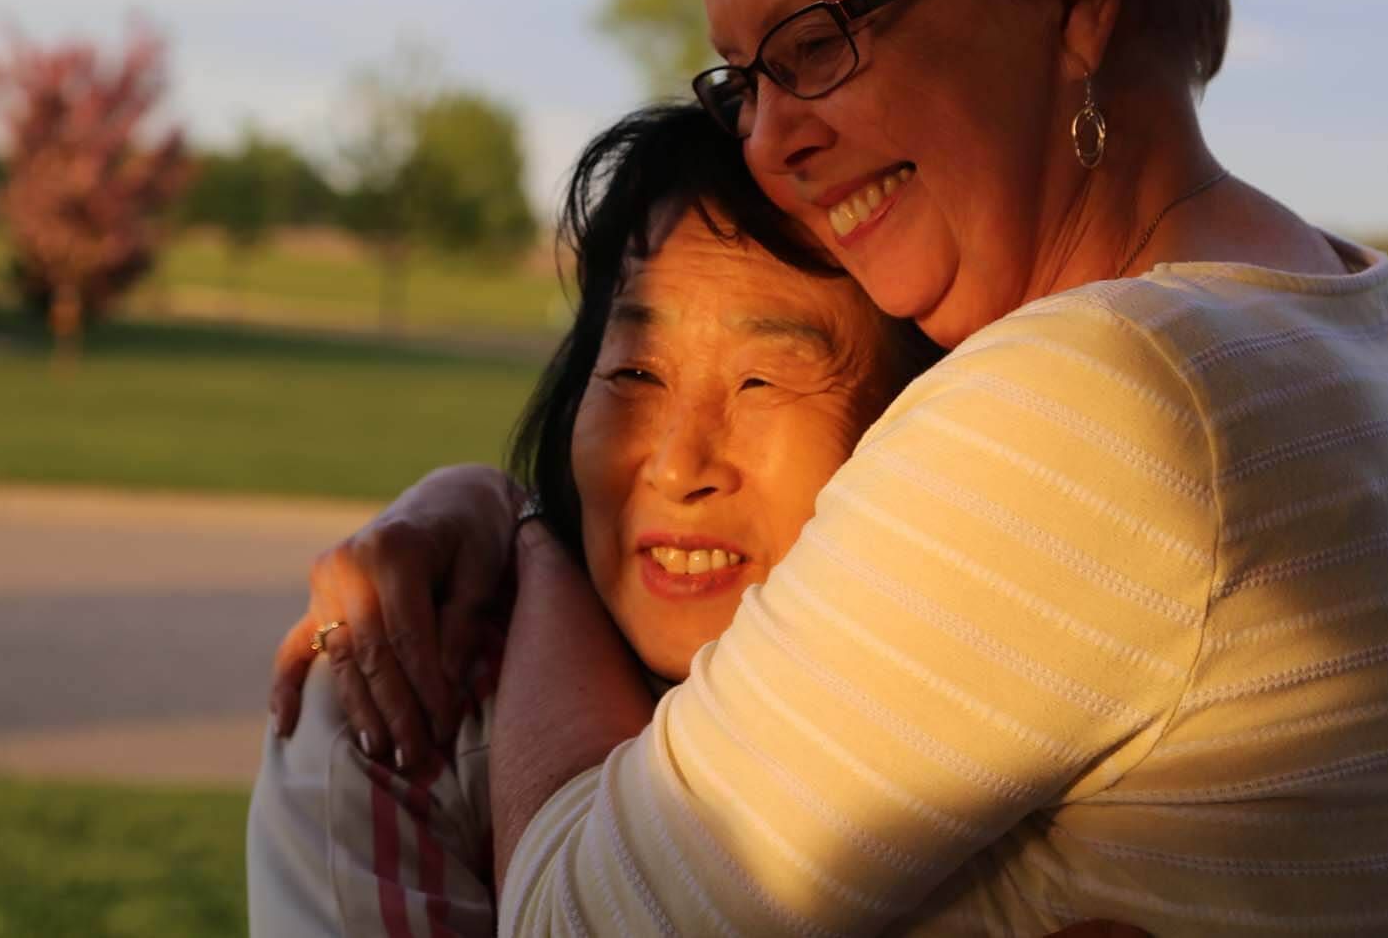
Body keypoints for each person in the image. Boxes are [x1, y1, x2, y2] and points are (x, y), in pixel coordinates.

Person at [274, 0, 1388, 935]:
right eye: (743, 78)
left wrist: (533, 538)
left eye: (818, 42)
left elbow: (574, 922)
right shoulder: (1306, 326)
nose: (769, 139)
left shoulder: (1106, 405)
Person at [247, 105, 942, 936]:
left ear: (910, 426)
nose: (679, 466)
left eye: (761, 382)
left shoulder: (998, 717)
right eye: (636, 373)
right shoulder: (404, 719)